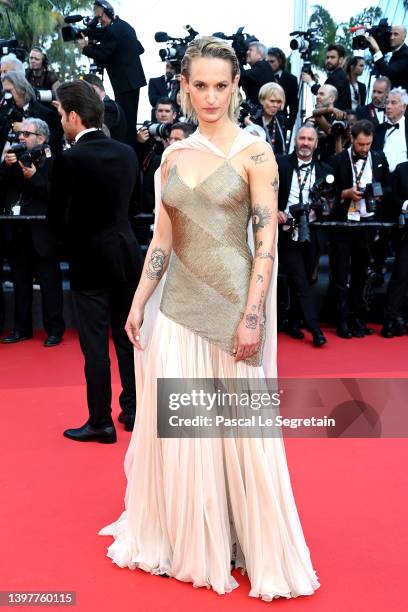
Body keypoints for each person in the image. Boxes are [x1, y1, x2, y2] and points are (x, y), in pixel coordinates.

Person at [99, 36, 320, 601]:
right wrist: (138, 301)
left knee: (239, 432)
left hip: (231, 312)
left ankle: (244, 535)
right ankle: (191, 536)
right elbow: (163, 239)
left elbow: (266, 243)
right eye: (200, 85)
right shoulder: (172, 156)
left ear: (236, 88)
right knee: (183, 433)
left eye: (221, 85)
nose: (211, 96)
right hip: (175, 312)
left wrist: (253, 316)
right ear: (184, 87)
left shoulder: (255, 153)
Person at [50, 80, 143, 440]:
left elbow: (58, 219)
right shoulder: (127, 153)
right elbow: (134, 207)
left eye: (60, 114)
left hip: (89, 260)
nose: (60, 121)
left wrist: (70, 244)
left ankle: (101, 421)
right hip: (125, 254)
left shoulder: (69, 159)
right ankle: (133, 409)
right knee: (127, 337)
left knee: (94, 345)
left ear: (73, 116)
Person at [0, 118, 65, 346]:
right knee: (20, 283)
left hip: (43, 234)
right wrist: (7, 167)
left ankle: (55, 330)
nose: (21, 138)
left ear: (42, 138)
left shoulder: (54, 162)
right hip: (17, 232)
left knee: (50, 285)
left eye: (26, 134)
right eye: (20, 134)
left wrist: (34, 177)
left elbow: (56, 197)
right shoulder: (12, 162)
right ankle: (21, 329)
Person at [329, 119, 390, 338]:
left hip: (368, 223)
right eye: (360, 145)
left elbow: (389, 185)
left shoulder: (380, 158)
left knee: (361, 273)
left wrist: (379, 192)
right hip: (344, 224)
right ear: (351, 139)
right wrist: (344, 193)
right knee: (341, 273)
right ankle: (342, 320)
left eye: (368, 144)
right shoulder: (337, 160)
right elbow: (328, 192)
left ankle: (357, 318)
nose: (364, 149)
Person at [276, 125, 329, 347]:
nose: (305, 143)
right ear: (295, 141)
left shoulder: (325, 170)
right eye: (302, 138)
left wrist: (325, 206)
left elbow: (330, 205)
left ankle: (294, 322)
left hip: (312, 233)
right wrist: (275, 210)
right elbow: (265, 192)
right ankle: (315, 330)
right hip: (287, 232)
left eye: (310, 139)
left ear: (316, 144)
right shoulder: (281, 165)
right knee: (299, 280)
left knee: (306, 279)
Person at [78, 1, 146, 145]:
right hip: (131, 80)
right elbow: (139, 48)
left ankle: (127, 148)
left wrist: (85, 48)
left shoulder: (114, 30)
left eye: (100, 17)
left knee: (126, 119)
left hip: (126, 82)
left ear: (108, 12)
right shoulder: (122, 26)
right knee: (129, 117)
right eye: (96, 18)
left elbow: (103, 54)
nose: (99, 21)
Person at [1, 71, 63, 154]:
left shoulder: (44, 113)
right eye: (5, 92)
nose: (7, 96)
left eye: (9, 91)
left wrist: (26, 131)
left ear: (21, 89)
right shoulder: (4, 111)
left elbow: (53, 144)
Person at [381, 160, 408, 337]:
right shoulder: (402, 169)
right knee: (401, 274)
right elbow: (389, 196)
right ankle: (391, 319)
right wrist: (405, 204)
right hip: (407, 234)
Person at [302, 44, 351, 111]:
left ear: (341, 60)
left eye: (332, 57)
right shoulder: (336, 74)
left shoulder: (338, 76)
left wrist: (310, 82)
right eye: (327, 57)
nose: (329, 60)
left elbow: (325, 96)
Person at [82, 73, 127, 143]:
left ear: (94, 88)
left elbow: (97, 136)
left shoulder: (108, 108)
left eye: (84, 91)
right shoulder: (109, 105)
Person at [245, 82, 287, 155]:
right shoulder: (253, 121)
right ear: (261, 100)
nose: (275, 105)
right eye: (272, 101)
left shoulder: (281, 121)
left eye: (279, 102)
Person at [373, 87, 408, 172]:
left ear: (404, 107)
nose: (388, 107)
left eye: (393, 103)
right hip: (382, 179)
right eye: (387, 103)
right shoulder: (378, 129)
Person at [368, 25, 408, 91]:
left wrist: (376, 49)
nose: (391, 37)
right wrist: (374, 50)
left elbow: (387, 73)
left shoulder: (405, 54)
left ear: (403, 37)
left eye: (396, 34)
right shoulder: (394, 51)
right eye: (391, 34)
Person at [267, 47, 298, 130]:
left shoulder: (291, 79)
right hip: (264, 120)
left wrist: (290, 124)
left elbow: (294, 104)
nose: (269, 64)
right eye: (267, 62)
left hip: (282, 122)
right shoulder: (263, 76)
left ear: (280, 61)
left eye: (272, 61)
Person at [240, 41, 275, 106]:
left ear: (260, 55)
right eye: (247, 50)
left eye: (251, 50)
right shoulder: (262, 66)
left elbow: (243, 74)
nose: (247, 52)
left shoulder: (262, 66)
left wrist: (235, 58)